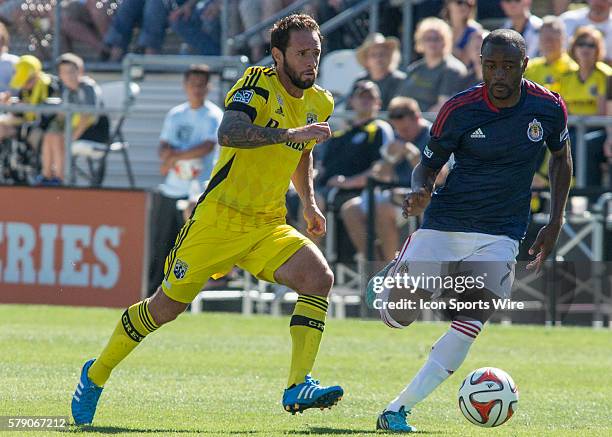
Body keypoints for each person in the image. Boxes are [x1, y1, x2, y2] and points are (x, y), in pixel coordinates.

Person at [70, 14, 343, 425]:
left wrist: (309, 203)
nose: (310, 62)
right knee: (164, 309)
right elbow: (230, 131)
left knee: (318, 278)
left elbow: (302, 154)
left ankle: (297, 384)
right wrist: (288, 134)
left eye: (316, 53)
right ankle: (96, 373)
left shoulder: (320, 101)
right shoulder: (256, 83)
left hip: (267, 223)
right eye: (302, 53)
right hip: (218, 220)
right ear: (277, 55)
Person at [368, 29, 572, 432]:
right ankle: (397, 276)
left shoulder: (548, 107)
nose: (499, 74)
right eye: (491, 65)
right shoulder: (459, 109)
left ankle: (397, 409)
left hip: (502, 234)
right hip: (447, 223)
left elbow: (561, 159)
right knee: (396, 317)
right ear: (481, 63)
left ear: (524, 66)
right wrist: (421, 189)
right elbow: (427, 163)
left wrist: (555, 219)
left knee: (469, 324)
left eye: (508, 66)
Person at [148, 64, 223, 296]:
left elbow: (207, 146)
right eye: (192, 85)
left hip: (198, 190)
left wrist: (173, 158)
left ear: (208, 87)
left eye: (201, 85)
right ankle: (153, 296)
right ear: (185, 86)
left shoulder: (214, 115)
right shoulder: (176, 114)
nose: (196, 90)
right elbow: (163, 145)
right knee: (162, 247)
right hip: (172, 188)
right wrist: (167, 157)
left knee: (190, 247)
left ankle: (188, 294)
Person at [340, 97, 429, 262]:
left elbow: (440, 176)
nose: (403, 133)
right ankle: (377, 271)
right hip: (396, 195)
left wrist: (412, 155)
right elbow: (380, 175)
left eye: (406, 129)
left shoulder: (433, 135)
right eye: (399, 129)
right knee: (350, 209)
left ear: (417, 118)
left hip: (424, 198)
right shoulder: (397, 136)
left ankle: (392, 275)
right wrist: (389, 158)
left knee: (382, 207)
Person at [39, 53, 107, 185]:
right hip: (76, 129)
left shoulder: (87, 87)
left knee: (60, 138)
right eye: (64, 72)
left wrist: (71, 137)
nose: (68, 76)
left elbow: (87, 117)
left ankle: (60, 178)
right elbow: (64, 116)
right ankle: (46, 176)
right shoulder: (67, 91)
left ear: (80, 71)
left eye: (71, 71)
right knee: (50, 135)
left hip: (94, 132)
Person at [559, 26, 612, 188]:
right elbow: (564, 110)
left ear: (598, 49)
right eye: (581, 44)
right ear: (574, 47)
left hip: (599, 129)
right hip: (573, 128)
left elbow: (603, 113)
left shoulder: (605, 75)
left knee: (584, 143)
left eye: (591, 45)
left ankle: (589, 196)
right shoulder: (566, 77)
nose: (585, 49)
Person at [397, 17, 467, 112]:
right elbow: (400, 100)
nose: (432, 43)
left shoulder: (452, 69)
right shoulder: (414, 69)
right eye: (428, 39)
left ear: (445, 41)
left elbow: (443, 106)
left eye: (437, 39)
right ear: (420, 42)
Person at [348, 33, 407, 110]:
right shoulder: (360, 81)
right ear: (366, 59)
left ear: (390, 56)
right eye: (373, 55)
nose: (378, 58)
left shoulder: (400, 81)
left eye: (382, 54)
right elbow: (349, 112)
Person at [524, 16, 577, 94]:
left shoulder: (572, 70)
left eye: (553, 39)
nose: (549, 43)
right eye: (545, 38)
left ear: (563, 39)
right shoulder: (530, 67)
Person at [441, 0, 482, 66]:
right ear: (449, 4)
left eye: (469, 4)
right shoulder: (441, 29)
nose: (464, 6)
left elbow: (465, 61)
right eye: (459, 2)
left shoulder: (475, 31)